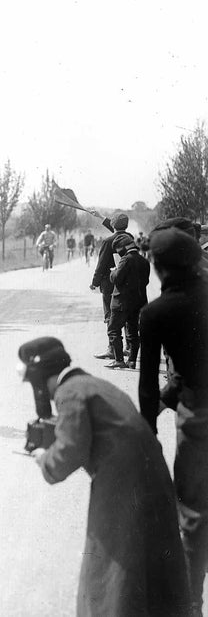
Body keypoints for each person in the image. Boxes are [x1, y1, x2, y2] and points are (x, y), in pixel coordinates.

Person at [19, 336, 191, 617]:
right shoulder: (93, 384)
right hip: (151, 477)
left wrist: (43, 459)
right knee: (150, 559)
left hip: (122, 483)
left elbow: (68, 453)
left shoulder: (69, 392)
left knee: (111, 565)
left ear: (43, 378)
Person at [137, 228, 208, 610]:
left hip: (200, 419)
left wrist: (148, 439)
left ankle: (189, 605)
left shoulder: (157, 313)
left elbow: (148, 387)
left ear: (159, 268)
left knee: (195, 516)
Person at [104, 234, 149, 370]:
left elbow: (116, 278)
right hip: (138, 302)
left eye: (118, 249)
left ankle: (119, 360)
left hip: (121, 302)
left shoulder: (125, 260)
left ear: (123, 247)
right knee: (133, 332)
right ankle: (132, 360)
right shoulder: (144, 261)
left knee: (113, 329)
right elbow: (145, 282)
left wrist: (113, 271)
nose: (118, 252)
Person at [90, 213, 131, 359]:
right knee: (126, 313)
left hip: (110, 283)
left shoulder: (107, 241)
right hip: (127, 282)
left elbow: (101, 265)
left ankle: (112, 348)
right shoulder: (129, 238)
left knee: (110, 315)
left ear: (113, 225)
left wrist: (94, 283)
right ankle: (129, 347)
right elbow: (117, 231)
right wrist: (101, 217)